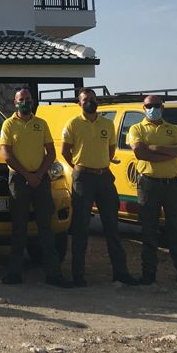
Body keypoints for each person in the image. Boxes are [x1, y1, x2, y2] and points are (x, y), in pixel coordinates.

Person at [61, 88, 138, 287]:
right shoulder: (73, 124)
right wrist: (78, 167)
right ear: (79, 103)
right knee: (81, 228)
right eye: (86, 99)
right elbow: (65, 150)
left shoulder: (107, 123)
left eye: (93, 99)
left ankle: (121, 273)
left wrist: (102, 163)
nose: (90, 102)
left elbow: (111, 149)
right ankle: (78, 275)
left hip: (104, 177)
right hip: (83, 178)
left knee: (112, 227)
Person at [0, 88, 71, 287]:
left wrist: (38, 175)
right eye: (21, 99)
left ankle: (54, 274)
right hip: (19, 180)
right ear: (15, 103)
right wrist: (27, 175)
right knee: (19, 228)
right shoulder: (8, 124)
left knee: (46, 229)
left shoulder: (41, 124)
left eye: (28, 99)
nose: (25, 102)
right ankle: (14, 273)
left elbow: (51, 152)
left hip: (41, 181)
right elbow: (7, 154)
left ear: (33, 101)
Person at [127, 94, 177, 288]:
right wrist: (167, 151)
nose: (153, 108)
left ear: (162, 107)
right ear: (143, 107)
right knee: (149, 230)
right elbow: (140, 152)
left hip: (172, 185)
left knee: (176, 229)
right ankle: (148, 274)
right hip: (148, 184)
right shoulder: (136, 128)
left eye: (157, 105)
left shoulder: (173, 129)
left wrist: (155, 148)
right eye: (149, 105)